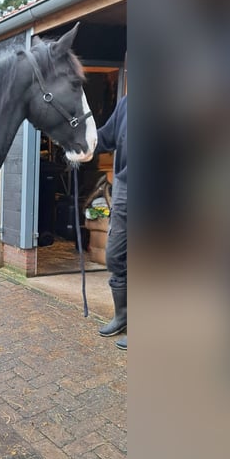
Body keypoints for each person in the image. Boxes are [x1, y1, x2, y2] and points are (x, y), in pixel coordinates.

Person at [96, 95, 127, 350]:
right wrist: (80, 143)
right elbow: (105, 137)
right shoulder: (127, 103)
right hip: (125, 189)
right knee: (115, 256)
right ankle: (122, 316)